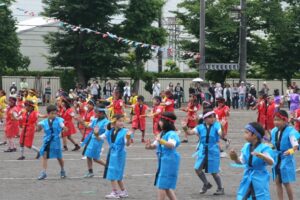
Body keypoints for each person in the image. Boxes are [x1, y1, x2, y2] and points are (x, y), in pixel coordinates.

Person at [184, 109, 225, 195]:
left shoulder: (217, 125)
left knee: (214, 172)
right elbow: (189, 132)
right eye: (210, 117)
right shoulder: (200, 127)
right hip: (203, 150)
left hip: (213, 150)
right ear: (205, 118)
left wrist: (222, 127)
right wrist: (184, 127)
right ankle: (206, 184)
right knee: (197, 169)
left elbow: (222, 134)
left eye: (214, 117)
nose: (213, 118)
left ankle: (220, 188)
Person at [229, 122, 274, 199]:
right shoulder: (246, 146)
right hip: (248, 176)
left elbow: (271, 162)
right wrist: (235, 158)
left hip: (259, 177)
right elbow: (241, 162)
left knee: (257, 196)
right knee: (244, 195)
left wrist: (263, 156)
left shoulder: (264, 148)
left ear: (255, 135)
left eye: (247, 133)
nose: (244, 135)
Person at [145, 112, 181, 200]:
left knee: (162, 185)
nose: (159, 122)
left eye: (161, 120)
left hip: (170, 160)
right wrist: (149, 146)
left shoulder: (172, 134)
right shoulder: (162, 133)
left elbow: (172, 145)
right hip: (164, 160)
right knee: (166, 186)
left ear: (167, 122)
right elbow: (155, 145)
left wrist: (161, 141)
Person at [100, 114, 131, 199]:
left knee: (113, 173)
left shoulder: (125, 131)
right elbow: (100, 138)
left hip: (119, 154)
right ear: (114, 122)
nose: (122, 123)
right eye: (119, 121)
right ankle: (123, 191)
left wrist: (128, 138)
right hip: (112, 153)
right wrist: (95, 134)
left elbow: (127, 144)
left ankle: (115, 192)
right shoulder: (110, 131)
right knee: (116, 174)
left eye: (122, 121)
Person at [270, 110, 299, 200]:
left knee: (286, 182)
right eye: (275, 120)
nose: (276, 122)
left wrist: (290, 151)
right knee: (277, 181)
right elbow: (273, 144)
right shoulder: (274, 131)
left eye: (278, 120)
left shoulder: (290, 131)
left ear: (285, 120)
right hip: (276, 157)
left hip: (286, 159)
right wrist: (270, 147)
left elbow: (295, 145)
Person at [37, 105, 67, 180]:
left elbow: (62, 125)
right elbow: (38, 129)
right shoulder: (43, 122)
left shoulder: (59, 120)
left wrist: (64, 128)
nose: (54, 115)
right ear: (48, 114)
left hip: (55, 141)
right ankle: (43, 172)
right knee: (44, 156)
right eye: (52, 113)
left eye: (55, 113)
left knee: (59, 157)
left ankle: (62, 169)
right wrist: (38, 127)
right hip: (47, 141)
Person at [80, 104, 109, 178]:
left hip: (98, 140)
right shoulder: (95, 120)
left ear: (102, 113)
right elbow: (88, 126)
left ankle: (108, 166)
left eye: (97, 112)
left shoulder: (106, 122)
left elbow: (107, 132)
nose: (95, 114)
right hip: (91, 139)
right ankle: (90, 171)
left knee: (95, 158)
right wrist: (81, 121)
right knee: (88, 155)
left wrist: (99, 134)